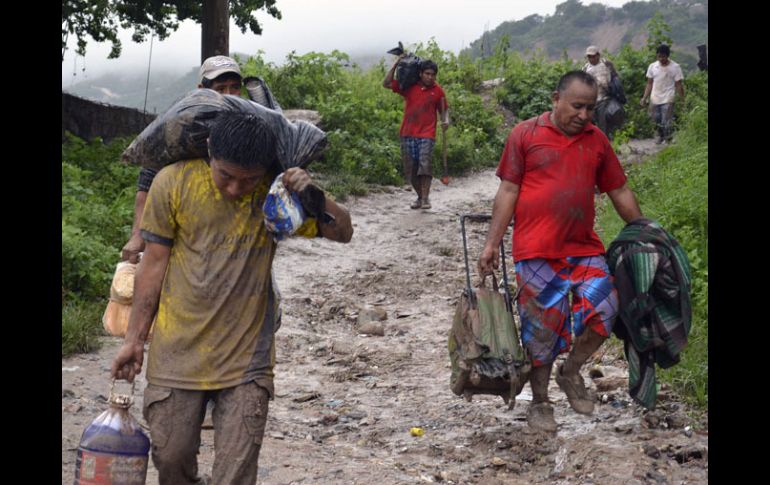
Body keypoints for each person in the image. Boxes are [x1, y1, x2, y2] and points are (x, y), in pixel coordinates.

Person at [111, 111, 353, 484]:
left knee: (236, 474)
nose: (236, 189)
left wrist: (313, 195)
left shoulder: (276, 196)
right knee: (171, 459)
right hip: (176, 352)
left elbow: (343, 232)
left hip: (246, 360)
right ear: (209, 151)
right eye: (225, 175)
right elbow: (153, 265)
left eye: (248, 180)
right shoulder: (172, 183)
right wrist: (134, 340)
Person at [477, 71, 643, 433]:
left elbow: (619, 190)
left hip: (583, 250)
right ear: (556, 99)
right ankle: (540, 403)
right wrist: (492, 243)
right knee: (541, 329)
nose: (584, 115)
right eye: (577, 106)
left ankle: (570, 371)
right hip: (535, 253)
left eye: (591, 108)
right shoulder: (525, 134)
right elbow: (508, 191)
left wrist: (643, 231)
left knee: (607, 307)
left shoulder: (597, 141)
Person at [121, 55, 249, 264]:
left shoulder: (248, 124)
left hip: (235, 235)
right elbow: (148, 180)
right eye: (221, 88)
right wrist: (137, 236)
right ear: (201, 89)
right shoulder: (181, 126)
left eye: (234, 87)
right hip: (186, 228)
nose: (229, 94)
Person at [383, 56, 449, 210]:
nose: (430, 77)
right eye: (427, 74)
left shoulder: (438, 91)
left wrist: (445, 121)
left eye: (432, 75)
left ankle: (425, 199)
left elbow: (444, 110)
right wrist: (395, 65)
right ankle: (420, 196)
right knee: (410, 170)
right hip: (407, 133)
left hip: (427, 134)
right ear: (420, 73)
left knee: (424, 166)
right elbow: (386, 83)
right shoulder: (409, 87)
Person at [640, 44, 685, 144]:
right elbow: (649, 83)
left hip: (668, 98)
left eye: (663, 56)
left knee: (666, 121)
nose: (661, 58)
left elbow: (678, 85)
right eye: (659, 56)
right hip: (655, 97)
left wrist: (682, 100)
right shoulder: (652, 67)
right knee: (655, 119)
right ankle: (660, 136)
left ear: (667, 56)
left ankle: (668, 139)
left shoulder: (675, 67)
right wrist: (644, 97)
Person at [582, 45, 618, 139]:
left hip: (605, 98)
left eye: (593, 56)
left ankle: (605, 140)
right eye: (589, 57)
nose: (591, 59)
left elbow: (615, 78)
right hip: (592, 100)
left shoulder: (606, 64)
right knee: (591, 122)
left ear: (598, 55)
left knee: (603, 122)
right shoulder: (586, 68)